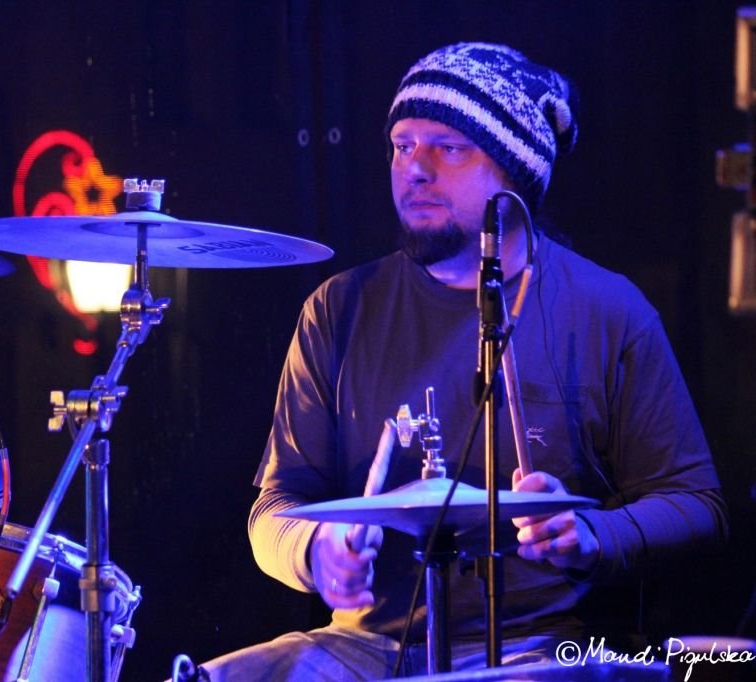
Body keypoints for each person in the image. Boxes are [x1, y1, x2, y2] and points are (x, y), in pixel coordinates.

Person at [198, 42, 728, 680]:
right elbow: (275, 508)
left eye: (448, 147)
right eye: (402, 145)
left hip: (543, 645)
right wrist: (314, 550)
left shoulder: (608, 310)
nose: (414, 169)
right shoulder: (337, 309)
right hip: (365, 648)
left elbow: (696, 504)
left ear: (515, 174)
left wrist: (593, 537)